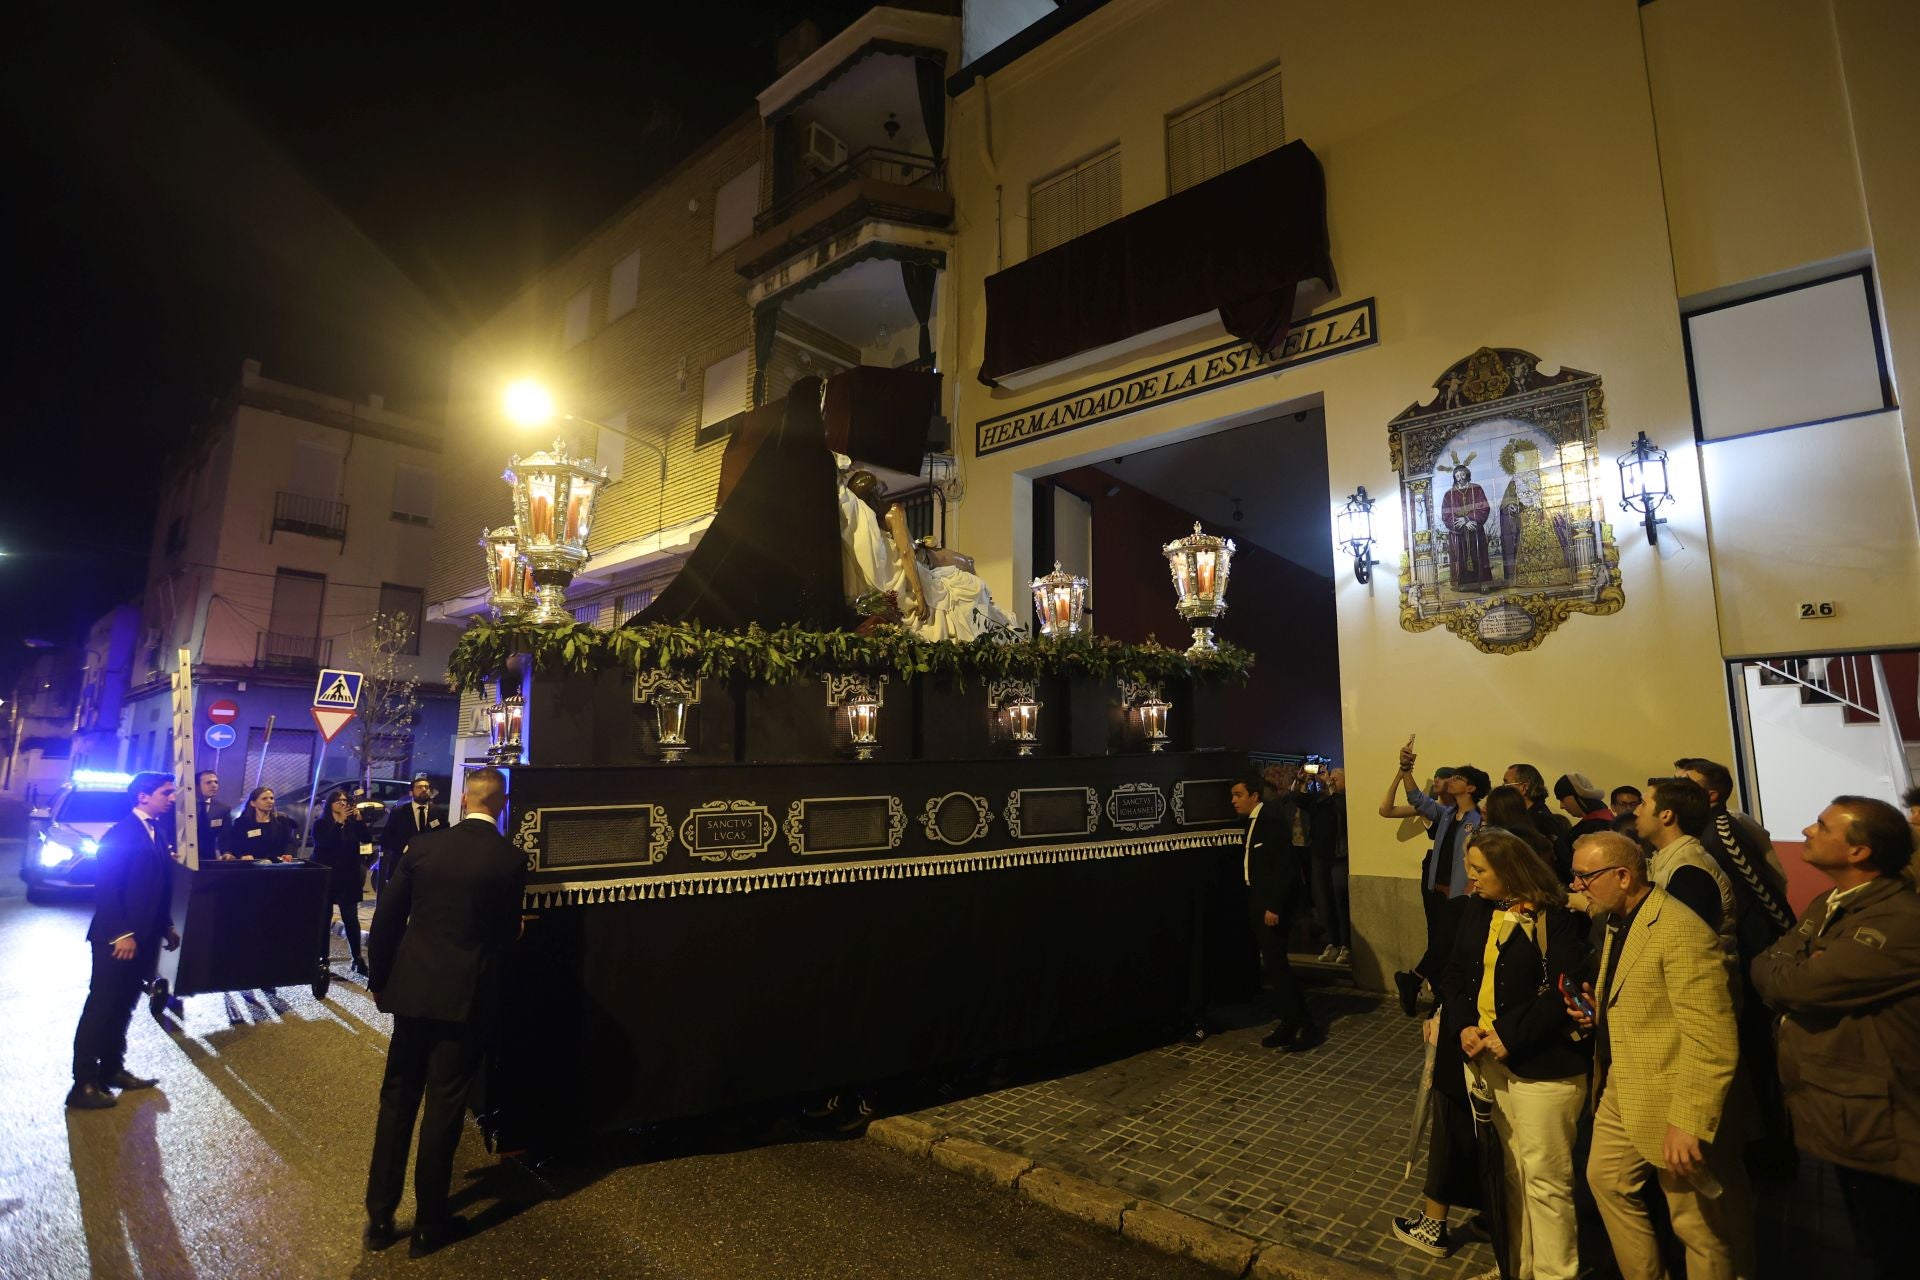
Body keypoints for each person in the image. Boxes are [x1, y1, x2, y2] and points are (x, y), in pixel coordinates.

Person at [1750, 796, 1919, 1280]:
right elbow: (1767, 961)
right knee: (1868, 1242)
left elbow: (1796, 985)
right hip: (1847, 1117)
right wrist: (1794, 969)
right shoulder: (1831, 902)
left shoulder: (1899, 922)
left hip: (1884, 1125)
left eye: (1822, 827)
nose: (1806, 830)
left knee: (1897, 1249)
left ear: (1858, 852)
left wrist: (1795, 971)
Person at [364, 767, 526, 1257]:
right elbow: (502, 935)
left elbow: (387, 918)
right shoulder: (509, 858)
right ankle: (430, 1223)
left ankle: (379, 1217)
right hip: (465, 998)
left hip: (412, 993)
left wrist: (381, 983)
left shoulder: (424, 847)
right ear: (501, 804)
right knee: (444, 1105)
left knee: (397, 1101)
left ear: (462, 797)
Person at [1566, 832, 1741, 1280]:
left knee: (1696, 1227)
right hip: (1624, 1085)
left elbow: (1713, 1039)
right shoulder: (1617, 920)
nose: (1578, 886)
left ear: (1623, 876)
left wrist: (1689, 1121)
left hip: (1672, 1096)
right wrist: (1598, 1017)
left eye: (1585, 876)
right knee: (1606, 1180)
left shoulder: (1681, 932)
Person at [1439, 828, 1592, 1280]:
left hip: (1542, 1067)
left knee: (1545, 1180)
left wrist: (1510, 1034)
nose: (1472, 879)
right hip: (1484, 1060)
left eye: (1481, 870)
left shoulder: (1556, 915)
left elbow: (1564, 989)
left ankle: (1554, 1273)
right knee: (1507, 1174)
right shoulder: (1478, 907)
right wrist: (1465, 1024)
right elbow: (1454, 974)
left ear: (1510, 869)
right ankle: (1516, 1267)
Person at [68, 772, 182, 1110]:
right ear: (143, 797)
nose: (172, 798)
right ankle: (84, 1083)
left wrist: (166, 926)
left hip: (144, 937)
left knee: (124, 1006)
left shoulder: (156, 832)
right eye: (166, 792)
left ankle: (112, 1070)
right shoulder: (121, 833)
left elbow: (158, 887)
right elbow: (106, 888)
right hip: (116, 940)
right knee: (102, 1006)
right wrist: (122, 933)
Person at [1391, 745, 1489, 1018]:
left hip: (1461, 894)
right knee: (1441, 942)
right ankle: (1435, 993)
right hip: (1437, 888)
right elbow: (1417, 799)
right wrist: (1406, 769)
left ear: (1470, 788)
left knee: (1446, 943)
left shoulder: (1480, 820)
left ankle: (1417, 980)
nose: (1451, 781)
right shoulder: (1447, 813)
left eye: (1458, 778)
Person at [1231, 773, 1320, 1052]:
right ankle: (1293, 1019)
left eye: (1239, 795)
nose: (1234, 801)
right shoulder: (1252, 823)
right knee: (1274, 965)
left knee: (1277, 965)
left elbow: (1284, 868)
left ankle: (1298, 1022)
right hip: (1257, 901)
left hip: (1271, 906)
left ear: (1254, 796)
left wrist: (1274, 907)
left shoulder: (1270, 821)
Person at [1635, 779, 1736, 953]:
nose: (1636, 812)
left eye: (1643, 804)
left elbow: (1681, 947)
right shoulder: (1668, 860)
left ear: (1666, 815)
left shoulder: (1690, 873)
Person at [310, 791, 373, 977]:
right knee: (325, 917)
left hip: (348, 877)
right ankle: (323, 959)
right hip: (328, 876)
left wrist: (359, 820)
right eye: (339, 801)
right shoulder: (321, 824)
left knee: (351, 918)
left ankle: (357, 958)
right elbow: (324, 843)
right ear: (330, 804)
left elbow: (367, 839)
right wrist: (338, 823)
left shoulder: (352, 824)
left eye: (346, 801)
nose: (343, 804)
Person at [1308, 767, 1352, 965]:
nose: (1330, 781)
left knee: (1340, 901)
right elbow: (1298, 801)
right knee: (1325, 902)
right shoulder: (1322, 800)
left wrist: (1332, 788)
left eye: (1335, 779)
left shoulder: (1344, 799)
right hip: (1321, 857)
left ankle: (1346, 945)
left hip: (1340, 857)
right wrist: (1302, 782)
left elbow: (1342, 808)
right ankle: (1333, 942)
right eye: (1329, 778)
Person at [377, 774, 444, 894]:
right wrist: (403, 848)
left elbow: (444, 835)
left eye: (426, 787)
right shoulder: (399, 812)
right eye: (419, 787)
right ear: (411, 793)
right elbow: (386, 839)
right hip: (403, 865)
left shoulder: (438, 812)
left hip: (428, 867)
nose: (424, 790)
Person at [1505, 764, 1572, 879]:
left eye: (1506, 784)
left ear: (1523, 788)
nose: (1503, 789)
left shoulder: (1540, 820)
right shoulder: (1525, 817)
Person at [1440, 460, 1494, 591]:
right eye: (1457, 476)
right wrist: (1462, 522)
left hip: (1475, 530)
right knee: (1461, 558)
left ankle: (1483, 583)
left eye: (1462, 474)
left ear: (1467, 475)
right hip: (1458, 535)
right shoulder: (1449, 494)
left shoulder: (1477, 489)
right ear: (1454, 477)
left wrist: (1468, 519)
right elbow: (1446, 515)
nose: (1460, 478)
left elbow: (1484, 508)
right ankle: (1463, 584)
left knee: (1479, 557)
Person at [1485, 785, 1558, 870]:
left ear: (1494, 813)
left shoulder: (1496, 845)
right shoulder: (1541, 842)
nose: (1484, 810)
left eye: (1488, 806)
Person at [222, 786, 297, 861]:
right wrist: (242, 856)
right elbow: (235, 844)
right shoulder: (241, 822)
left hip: (275, 865)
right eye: (264, 799)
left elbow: (289, 842)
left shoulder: (281, 820)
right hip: (250, 865)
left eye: (271, 798)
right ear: (253, 803)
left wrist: (288, 854)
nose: (269, 801)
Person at [1552, 773, 1614, 841]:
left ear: (1574, 796)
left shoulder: (1597, 828)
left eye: (1562, 799)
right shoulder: (1603, 821)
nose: (1561, 806)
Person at [194, 770, 229, 860]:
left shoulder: (223, 809)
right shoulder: (184, 807)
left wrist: (227, 852)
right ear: (196, 786)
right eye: (208, 782)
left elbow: (226, 836)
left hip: (211, 858)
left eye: (216, 782)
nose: (214, 785)